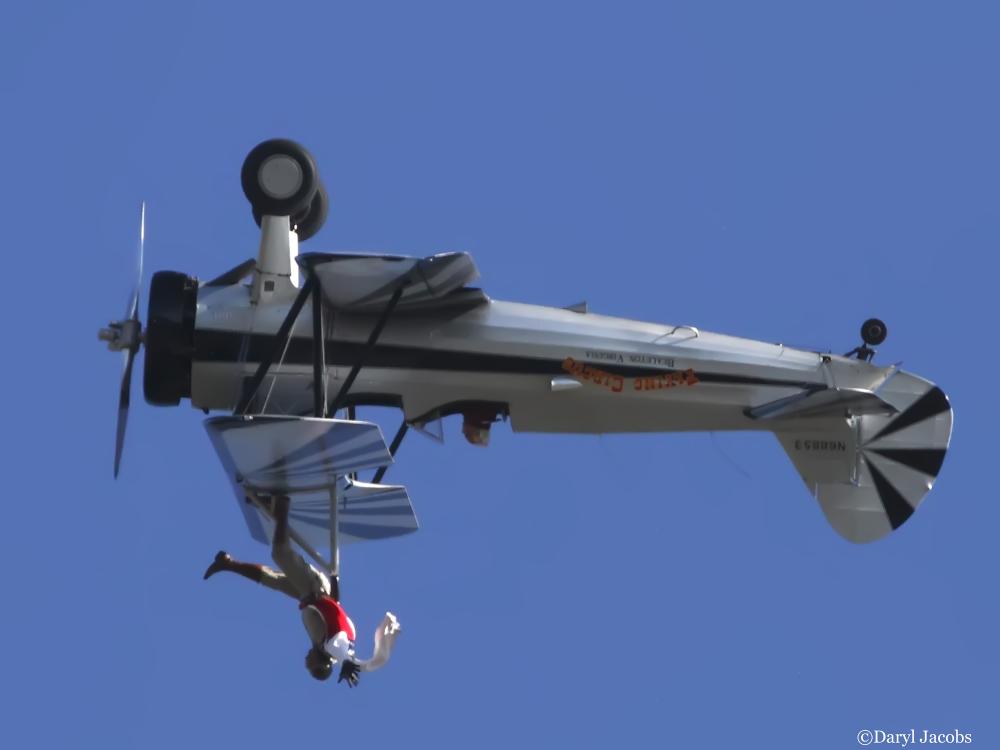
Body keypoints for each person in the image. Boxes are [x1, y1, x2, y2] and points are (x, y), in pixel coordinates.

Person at [202, 495, 400, 685]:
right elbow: (338, 634)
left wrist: (333, 582)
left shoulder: (326, 642)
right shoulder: (332, 647)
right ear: (320, 665)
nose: (305, 661)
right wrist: (347, 662)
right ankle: (281, 505)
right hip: (315, 590)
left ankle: (227, 564)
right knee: (280, 554)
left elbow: (336, 609)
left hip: (312, 595)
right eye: (309, 665)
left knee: (272, 580)